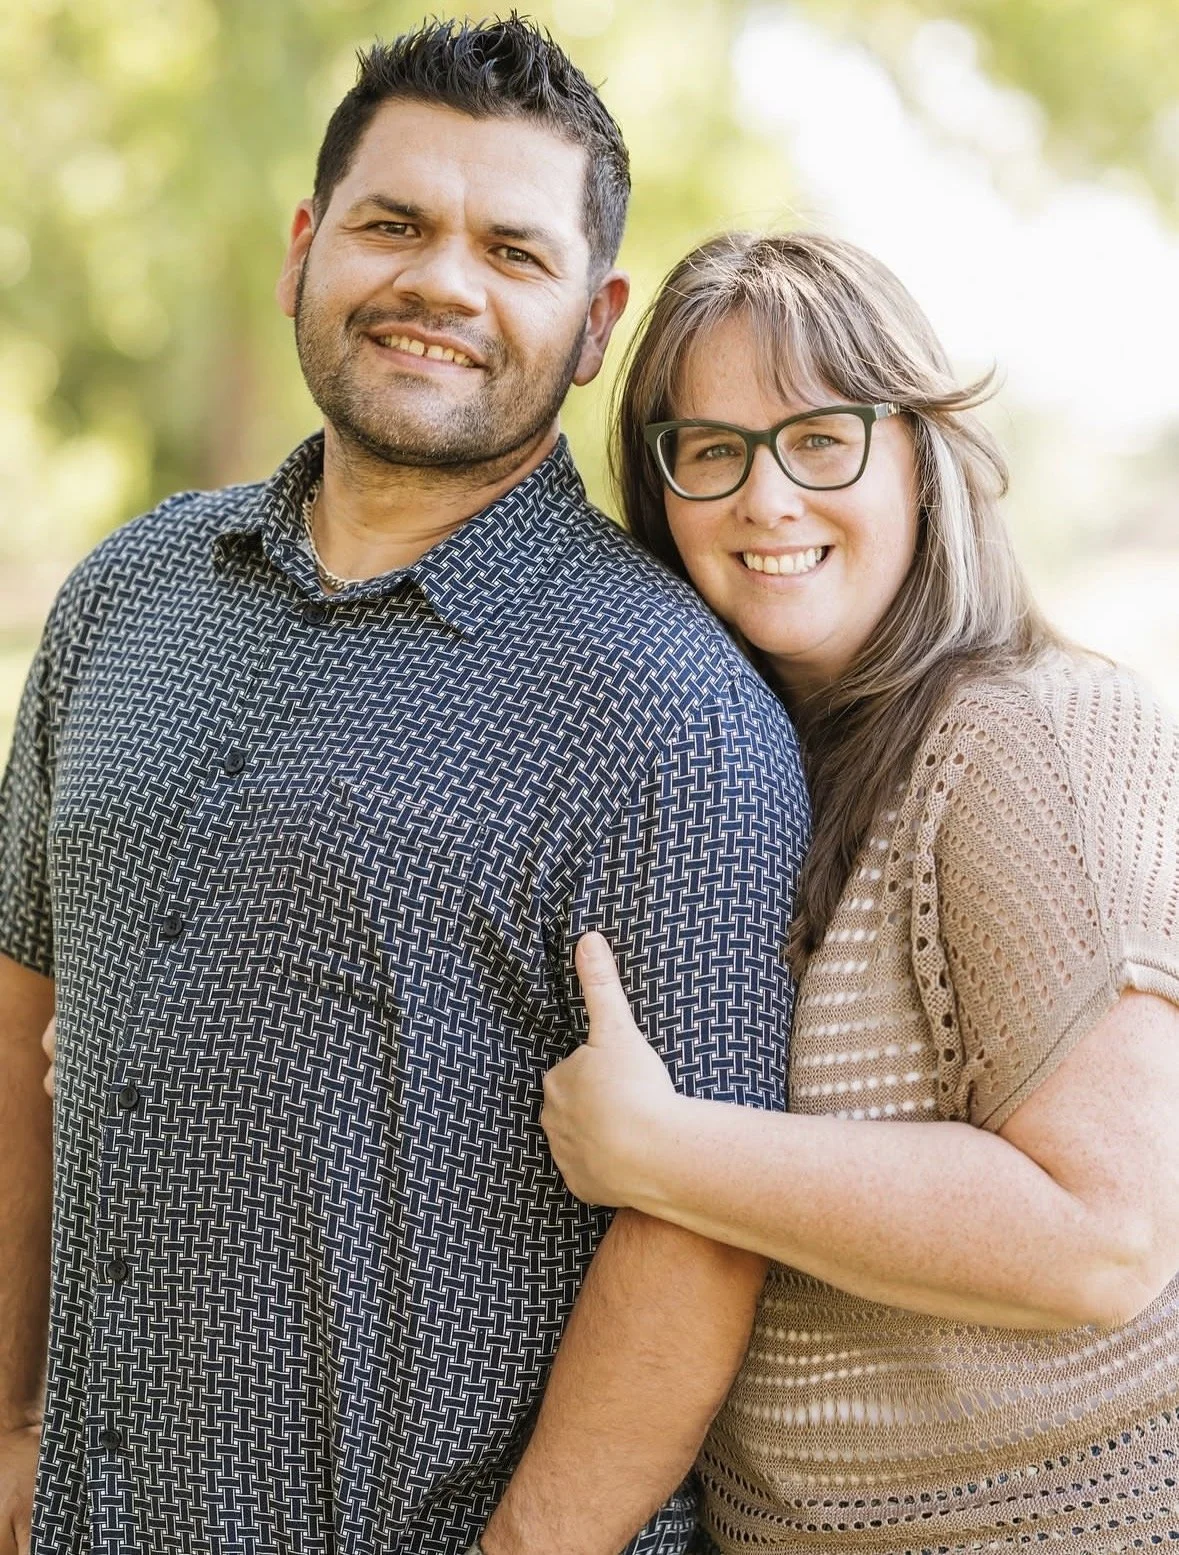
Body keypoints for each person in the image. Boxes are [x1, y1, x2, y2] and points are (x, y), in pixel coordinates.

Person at [0, 26, 812, 1555]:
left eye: (512, 248)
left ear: (593, 322)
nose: (442, 281)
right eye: (394, 224)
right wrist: (12, 1426)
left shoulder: (671, 709)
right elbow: (16, 1007)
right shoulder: (125, 592)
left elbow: (700, 1228)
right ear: (308, 246)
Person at [539, 230, 1179, 1555]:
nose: (763, 498)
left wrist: (661, 1149)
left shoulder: (1024, 738)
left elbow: (1103, 1234)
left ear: (919, 455)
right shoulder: (748, 772)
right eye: (708, 448)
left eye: (819, 436)